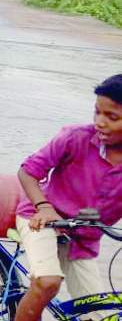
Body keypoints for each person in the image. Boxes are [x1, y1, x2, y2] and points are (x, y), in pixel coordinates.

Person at [14, 74, 122, 321]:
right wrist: (44, 207)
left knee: (98, 315)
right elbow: (28, 172)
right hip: (40, 219)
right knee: (48, 282)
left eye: (112, 117)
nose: (100, 122)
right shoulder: (75, 138)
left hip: (83, 240)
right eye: (97, 113)